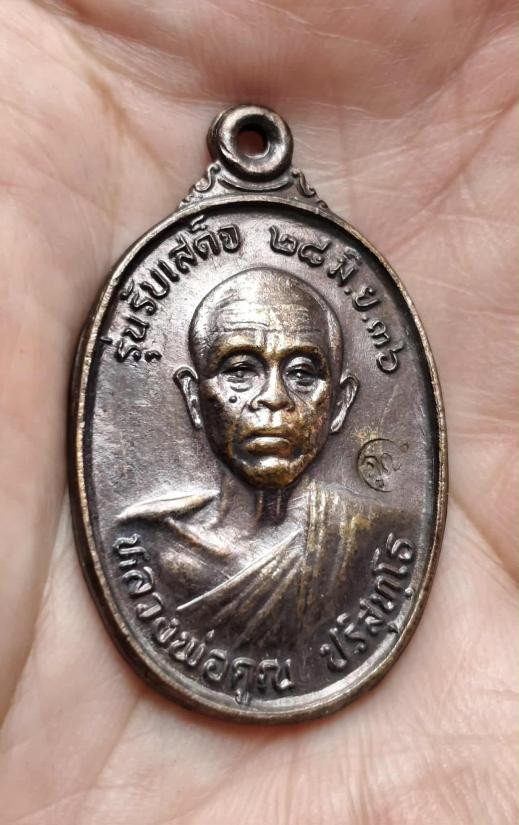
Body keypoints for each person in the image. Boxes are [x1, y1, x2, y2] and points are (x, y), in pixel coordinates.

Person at [119, 267, 381, 646]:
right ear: (193, 397)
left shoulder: (373, 540)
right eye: (241, 370)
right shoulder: (147, 542)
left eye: (302, 373)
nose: (274, 398)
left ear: (339, 405)